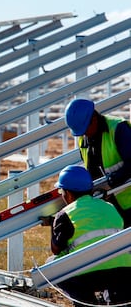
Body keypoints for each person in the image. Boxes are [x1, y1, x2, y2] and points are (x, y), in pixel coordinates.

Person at [43, 165, 131, 306]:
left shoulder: (66, 214)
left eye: (61, 191)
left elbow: (56, 249)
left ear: (69, 194)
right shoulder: (110, 206)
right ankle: (115, 300)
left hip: (89, 275)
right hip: (124, 271)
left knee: (51, 264)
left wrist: (53, 225)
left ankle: (85, 302)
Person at [65, 98, 131, 227]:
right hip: (109, 206)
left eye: (85, 130)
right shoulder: (83, 139)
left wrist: (112, 181)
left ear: (94, 119)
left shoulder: (118, 129)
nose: (84, 135)